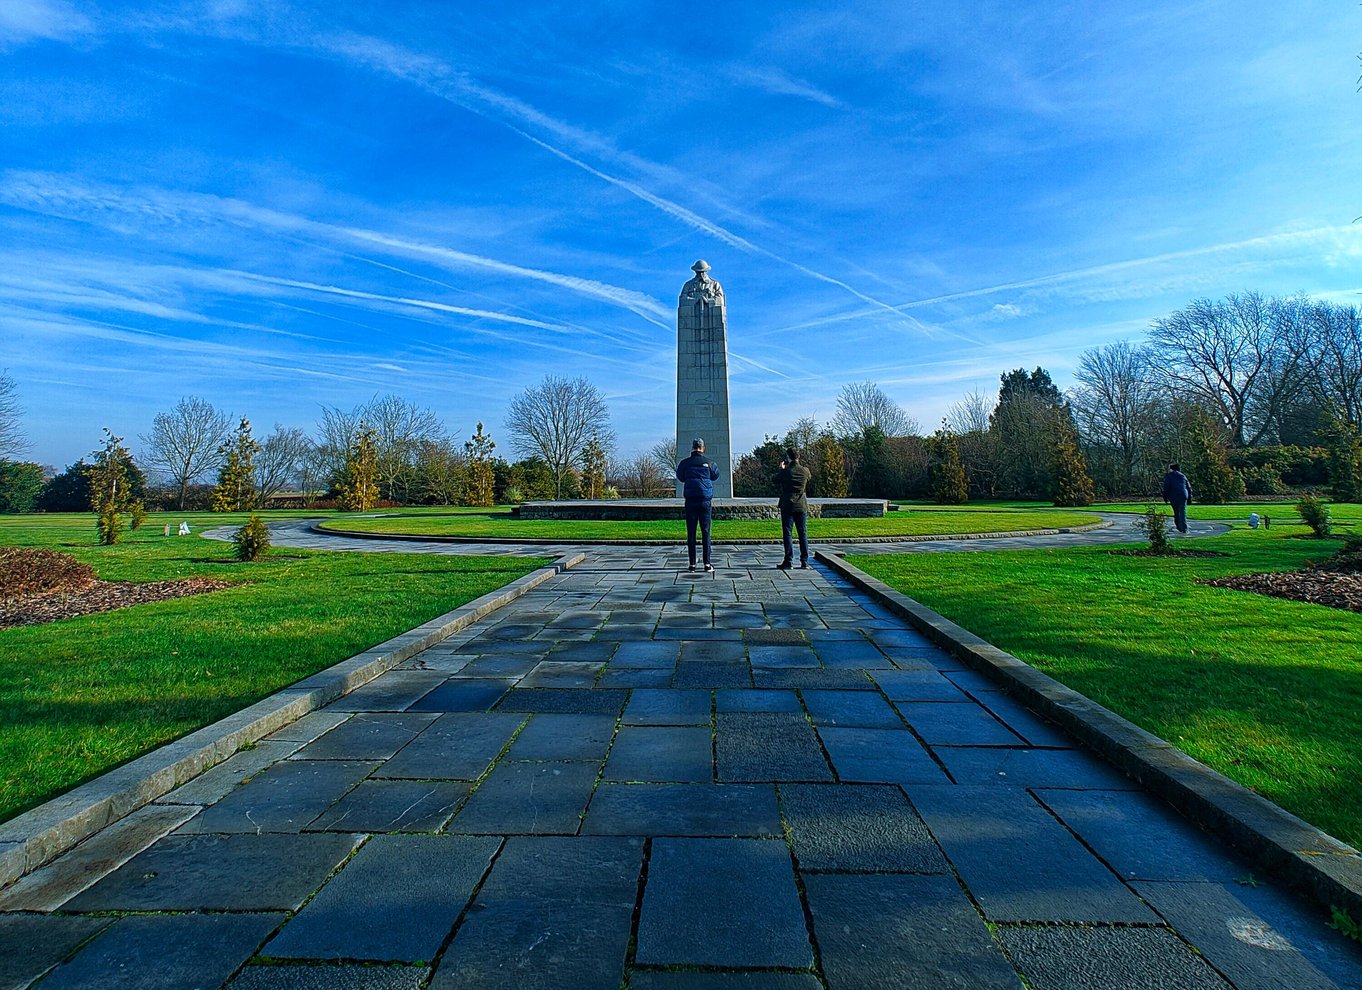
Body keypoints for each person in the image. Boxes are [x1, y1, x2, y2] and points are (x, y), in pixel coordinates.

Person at [676, 437, 720, 572]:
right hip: (705, 500)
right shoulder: (710, 463)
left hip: (690, 500)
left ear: (693, 447)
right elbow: (715, 476)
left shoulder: (684, 463)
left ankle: (692, 564)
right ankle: (707, 564)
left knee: (691, 532)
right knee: (706, 531)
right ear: (703, 448)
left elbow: (681, 477)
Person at [773, 447, 812, 569]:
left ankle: (788, 561)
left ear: (788, 457)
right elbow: (808, 477)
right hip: (801, 505)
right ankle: (804, 561)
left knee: (788, 533)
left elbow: (774, 479)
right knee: (802, 533)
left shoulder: (786, 472)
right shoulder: (805, 471)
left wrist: (781, 469)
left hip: (788, 505)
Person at [1161, 462, 1192, 534]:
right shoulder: (1183, 476)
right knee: (1182, 511)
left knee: (1176, 511)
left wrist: (1165, 496)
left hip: (1174, 496)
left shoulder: (1169, 476)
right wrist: (1190, 497)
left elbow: (1166, 487)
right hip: (1183, 495)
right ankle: (1183, 527)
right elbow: (1188, 487)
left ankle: (1179, 526)